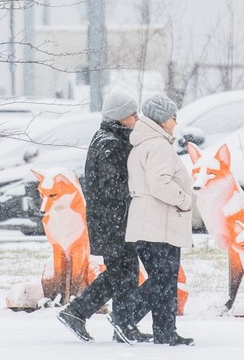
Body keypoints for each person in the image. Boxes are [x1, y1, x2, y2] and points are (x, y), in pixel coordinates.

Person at [57, 90, 152, 344]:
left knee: (125, 272)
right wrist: (138, 190)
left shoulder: (110, 138)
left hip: (112, 220)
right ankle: (78, 312)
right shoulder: (110, 143)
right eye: (133, 114)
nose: (137, 118)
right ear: (121, 117)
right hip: (114, 222)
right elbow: (114, 188)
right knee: (121, 272)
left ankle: (123, 326)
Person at [109, 93, 195, 346]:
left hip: (148, 222)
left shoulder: (144, 143)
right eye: (172, 117)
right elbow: (160, 183)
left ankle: (165, 332)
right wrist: (184, 200)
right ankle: (123, 317)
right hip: (158, 224)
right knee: (162, 281)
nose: (175, 122)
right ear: (161, 119)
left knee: (165, 281)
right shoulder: (157, 145)